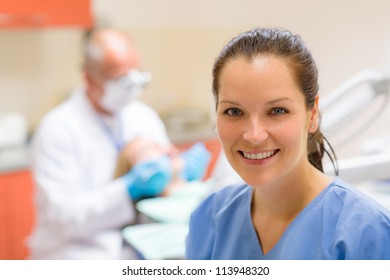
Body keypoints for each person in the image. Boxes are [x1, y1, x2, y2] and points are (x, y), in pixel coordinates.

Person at [185, 27, 390, 260]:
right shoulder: (210, 218)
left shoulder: (367, 233)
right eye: (234, 111)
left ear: (312, 115)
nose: (254, 135)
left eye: (277, 110)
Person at [28, 27, 210, 259]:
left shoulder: (143, 116)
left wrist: (180, 175)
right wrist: (127, 188)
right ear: (88, 76)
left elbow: (164, 189)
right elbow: (62, 218)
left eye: (135, 76)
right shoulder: (58, 128)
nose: (129, 87)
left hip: (135, 246)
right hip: (77, 253)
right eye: (118, 79)